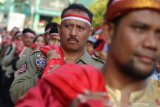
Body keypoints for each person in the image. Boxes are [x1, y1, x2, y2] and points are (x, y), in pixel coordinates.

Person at [15, 0, 160, 107]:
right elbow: (16, 93)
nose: (151, 43)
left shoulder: (156, 96)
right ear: (109, 32)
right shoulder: (62, 83)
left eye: (159, 33)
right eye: (139, 29)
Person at [10, 3, 104, 103]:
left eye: (80, 28)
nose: (73, 33)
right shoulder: (39, 58)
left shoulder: (99, 68)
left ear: (90, 32)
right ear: (59, 29)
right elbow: (15, 94)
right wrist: (43, 76)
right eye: (68, 26)